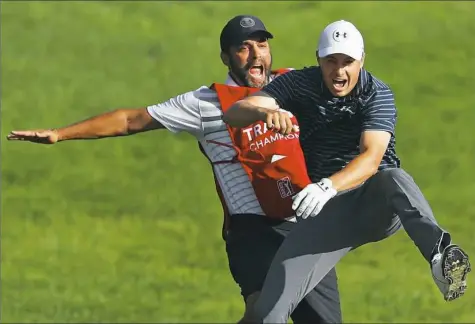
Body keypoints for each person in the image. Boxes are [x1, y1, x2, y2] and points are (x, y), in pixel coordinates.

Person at [7, 15, 343, 324]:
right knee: (262, 314)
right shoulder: (204, 104)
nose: (256, 54)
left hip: (305, 222)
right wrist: (59, 134)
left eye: (261, 44)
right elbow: (130, 120)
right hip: (251, 228)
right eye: (243, 47)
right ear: (226, 58)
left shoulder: (295, 86)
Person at [223, 19, 471, 323]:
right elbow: (234, 113)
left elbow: (371, 158)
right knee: (267, 315)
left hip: (373, 204)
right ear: (318, 59)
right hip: (325, 215)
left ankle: (440, 255)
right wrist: (267, 110)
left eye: (347, 62)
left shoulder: (376, 94)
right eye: (331, 61)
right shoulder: (299, 84)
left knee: (393, 177)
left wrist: (327, 186)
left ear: (362, 61)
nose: (339, 71)